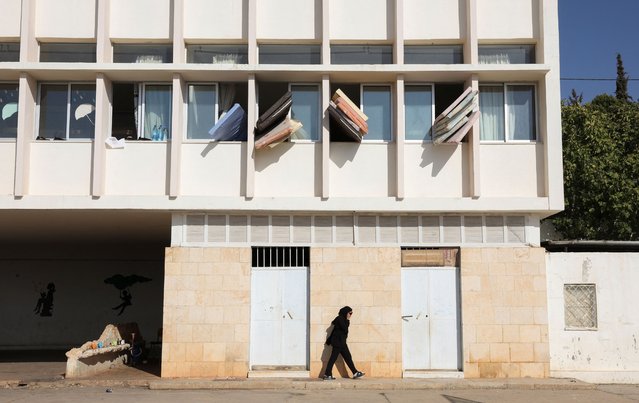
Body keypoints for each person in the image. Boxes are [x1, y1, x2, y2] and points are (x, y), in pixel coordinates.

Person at [323, 306, 365, 380]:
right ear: (345, 312)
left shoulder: (341, 319)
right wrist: (348, 320)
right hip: (338, 343)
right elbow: (345, 329)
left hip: (341, 343)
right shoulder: (340, 319)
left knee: (348, 357)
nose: (350, 315)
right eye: (350, 313)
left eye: (351, 313)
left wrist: (329, 340)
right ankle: (327, 374)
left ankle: (355, 372)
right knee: (333, 358)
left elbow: (335, 330)